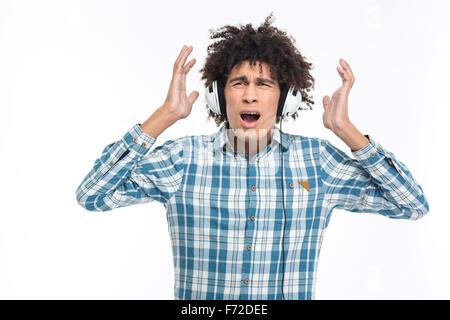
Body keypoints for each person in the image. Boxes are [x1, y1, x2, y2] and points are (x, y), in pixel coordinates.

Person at [75, 13, 429, 300]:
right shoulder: (182, 160)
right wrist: (164, 116)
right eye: (238, 83)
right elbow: (92, 195)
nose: (250, 96)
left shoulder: (318, 163)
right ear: (218, 96)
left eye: (264, 84)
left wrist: (348, 133)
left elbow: (412, 205)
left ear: (285, 98)